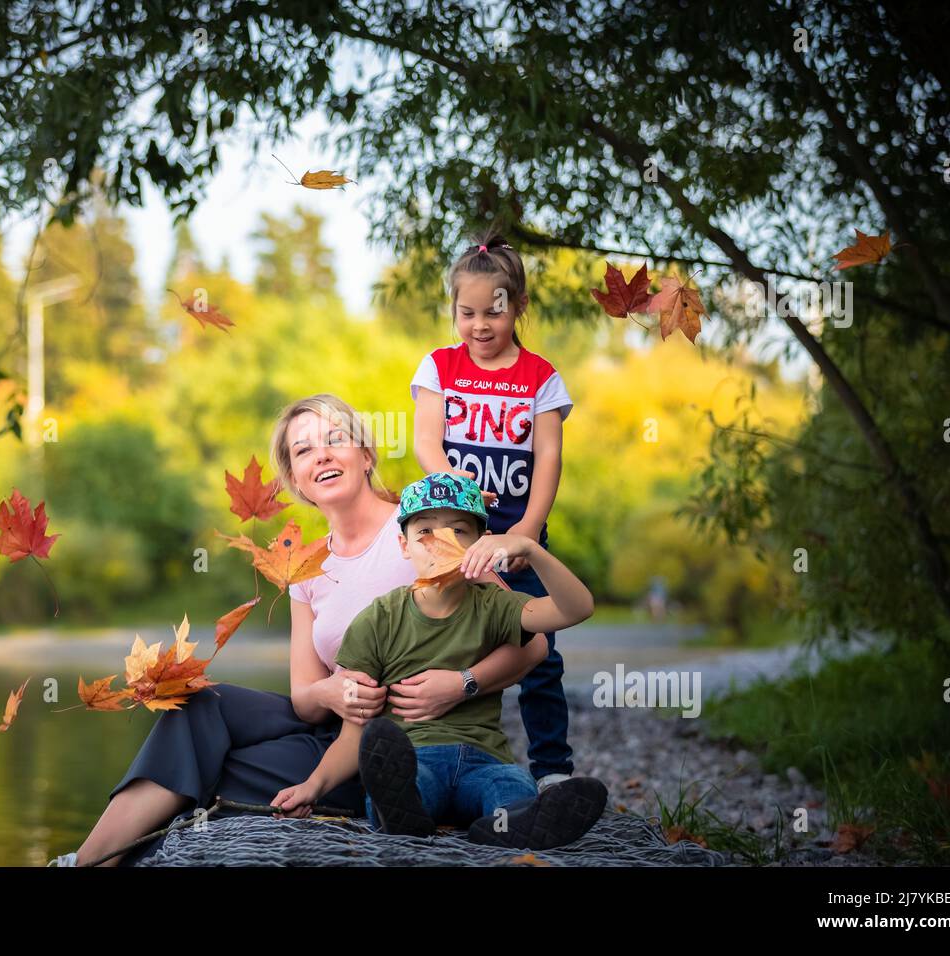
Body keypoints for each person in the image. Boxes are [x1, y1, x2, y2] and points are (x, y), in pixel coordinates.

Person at [50, 394, 547, 865]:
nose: (322, 456)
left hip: (404, 746)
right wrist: (332, 689)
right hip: (335, 730)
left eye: (335, 439)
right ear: (296, 479)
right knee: (200, 706)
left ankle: (98, 858)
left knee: (208, 770)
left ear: (366, 454)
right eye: (303, 450)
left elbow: (533, 642)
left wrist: (461, 684)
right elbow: (303, 697)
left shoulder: (420, 528)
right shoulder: (305, 567)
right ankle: (89, 860)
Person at [270, 472, 607, 849]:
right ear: (403, 545)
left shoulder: (494, 605)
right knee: (405, 784)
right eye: (425, 532)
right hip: (415, 760)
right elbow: (354, 734)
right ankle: (403, 816)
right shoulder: (377, 621)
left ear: (481, 544)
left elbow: (577, 608)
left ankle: (508, 826)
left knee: (510, 786)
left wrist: (530, 549)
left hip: (484, 759)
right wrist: (312, 786)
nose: (441, 543)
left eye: (459, 531)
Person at [410, 233, 578, 791]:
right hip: (453, 534)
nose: (479, 325)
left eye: (494, 312)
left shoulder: (540, 378)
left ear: (519, 306)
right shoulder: (439, 367)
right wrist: (452, 478)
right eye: (467, 312)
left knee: (538, 653)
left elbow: (549, 457)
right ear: (453, 309)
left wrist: (526, 532)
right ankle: (435, 759)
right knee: (447, 638)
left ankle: (552, 770)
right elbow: (427, 443)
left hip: (514, 534)